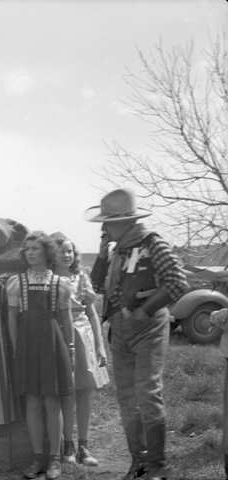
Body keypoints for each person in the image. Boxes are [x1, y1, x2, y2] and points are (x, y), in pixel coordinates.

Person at [87, 188, 188, 480]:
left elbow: (177, 282)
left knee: (147, 395)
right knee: (127, 398)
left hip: (148, 330)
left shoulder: (152, 244)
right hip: (120, 330)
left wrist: (146, 310)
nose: (104, 227)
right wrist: (103, 253)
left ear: (124, 221)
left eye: (107, 223)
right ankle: (138, 462)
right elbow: (97, 286)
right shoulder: (117, 249)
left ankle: (156, 466)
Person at [6, 231, 75, 480]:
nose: (30, 252)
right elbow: (12, 317)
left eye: (35, 248)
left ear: (46, 252)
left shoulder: (59, 283)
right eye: (27, 249)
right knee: (33, 401)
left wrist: (70, 347)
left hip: (52, 344)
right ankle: (38, 458)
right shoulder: (17, 282)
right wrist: (16, 348)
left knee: (52, 401)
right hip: (27, 345)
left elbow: (66, 318)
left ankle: (54, 459)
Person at [51, 232, 109, 467]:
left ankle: (84, 445)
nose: (66, 255)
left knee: (84, 392)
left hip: (82, 333)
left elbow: (92, 311)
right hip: (59, 335)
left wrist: (99, 344)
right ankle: (68, 445)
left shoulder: (81, 277)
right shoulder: (49, 278)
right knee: (65, 392)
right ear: (52, 255)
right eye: (61, 250)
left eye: (70, 251)